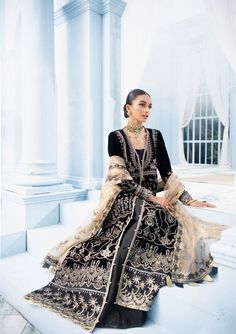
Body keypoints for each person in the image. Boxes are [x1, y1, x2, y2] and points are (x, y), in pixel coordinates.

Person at [24, 89, 226, 332]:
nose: (147, 110)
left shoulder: (156, 136)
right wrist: (153, 198)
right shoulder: (115, 137)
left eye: (150, 106)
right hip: (125, 198)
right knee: (144, 213)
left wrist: (188, 199)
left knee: (160, 215)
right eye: (142, 105)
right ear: (128, 107)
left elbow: (167, 173)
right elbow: (121, 179)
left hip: (150, 201)